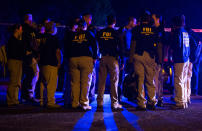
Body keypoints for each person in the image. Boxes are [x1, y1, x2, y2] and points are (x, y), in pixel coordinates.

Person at [130, 11, 161, 110]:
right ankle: (152, 102)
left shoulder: (136, 29)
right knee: (150, 80)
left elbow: (133, 44)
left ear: (141, 19)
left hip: (138, 55)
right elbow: (159, 45)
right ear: (149, 19)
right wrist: (159, 59)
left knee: (140, 80)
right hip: (150, 56)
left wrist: (130, 59)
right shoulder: (155, 30)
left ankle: (141, 103)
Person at [66, 20, 97, 110]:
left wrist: (68, 58)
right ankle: (84, 103)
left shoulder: (72, 35)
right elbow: (95, 45)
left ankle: (75, 103)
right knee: (85, 82)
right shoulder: (89, 34)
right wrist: (94, 57)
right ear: (85, 26)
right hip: (86, 58)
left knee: (74, 83)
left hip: (73, 59)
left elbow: (67, 47)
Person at [97, 15, 123, 110]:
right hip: (113, 58)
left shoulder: (100, 33)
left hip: (103, 57)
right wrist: (122, 59)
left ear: (106, 22)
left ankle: (99, 103)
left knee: (101, 82)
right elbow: (121, 47)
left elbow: (98, 45)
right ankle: (114, 103)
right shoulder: (116, 33)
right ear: (114, 22)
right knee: (114, 82)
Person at [39, 22, 62, 108]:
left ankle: (42, 100)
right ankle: (50, 102)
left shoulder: (42, 38)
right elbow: (57, 51)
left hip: (43, 63)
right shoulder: (54, 38)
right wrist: (59, 62)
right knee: (51, 84)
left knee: (43, 83)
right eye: (55, 27)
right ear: (52, 29)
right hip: (51, 63)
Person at [170, 15, 190, 109]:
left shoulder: (177, 32)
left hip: (179, 59)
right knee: (183, 80)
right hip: (186, 59)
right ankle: (184, 100)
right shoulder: (185, 32)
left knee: (178, 81)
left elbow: (176, 45)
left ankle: (180, 102)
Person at [118, 16, 137, 102]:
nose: (135, 24)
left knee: (132, 75)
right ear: (131, 22)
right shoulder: (123, 30)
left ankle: (131, 95)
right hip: (124, 56)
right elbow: (121, 44)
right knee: (121, 76)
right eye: (134, 22)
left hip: (131, 56)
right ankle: (119, 96)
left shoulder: (133, 31)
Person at [21, 14, 39, 103]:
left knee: (33, 73)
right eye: (30, 19)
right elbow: (27, 42)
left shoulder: (32, 29)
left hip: (32, 54)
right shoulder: (24, 29)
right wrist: (28, 51)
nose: (31, 21)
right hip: (28, 54)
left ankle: (28, 94)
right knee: (32, 73)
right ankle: (28, 95)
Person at [6, 24, 25, 106]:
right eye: (21, 29)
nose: (22, 31)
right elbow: (14, 52)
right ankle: (10, 100)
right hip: (14, 61)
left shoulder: (16, 40)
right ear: (17, 30)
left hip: (17, 61)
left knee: (17, 81)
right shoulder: (12, 40)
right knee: (13, 81)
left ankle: (14, 99)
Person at [82, 13, 97, 103]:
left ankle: (91, 95)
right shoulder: (82, 28)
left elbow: (94, 43)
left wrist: (94, 56)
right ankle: (88, 96)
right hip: (87, 56)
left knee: (91, 76)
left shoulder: (92, 29)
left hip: (90, 56)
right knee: (88, 77)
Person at [152, 14, 164, 107]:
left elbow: (160, 47)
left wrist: (160, 60)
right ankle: (157, 98)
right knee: (156, 79)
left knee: (157, 79)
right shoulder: (155, 29)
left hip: (157, 59)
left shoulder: (159, 31)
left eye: (153, 18)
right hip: (155, 58)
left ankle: (158, 98)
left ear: (157, 19)